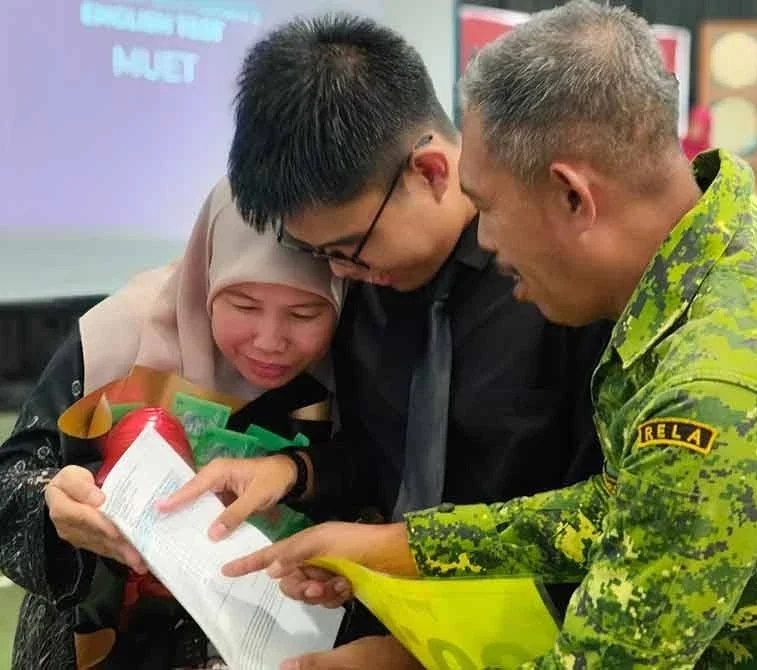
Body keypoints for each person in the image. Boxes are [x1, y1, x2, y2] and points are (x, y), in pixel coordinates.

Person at [220, 2, 757, 667]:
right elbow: (622, 502)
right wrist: (399, 547)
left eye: (487, 206)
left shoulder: (718, 390)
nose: (482, 238)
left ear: (575, 196)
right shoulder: (731, 237)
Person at [160, 11, 612, 669]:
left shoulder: (556, 284)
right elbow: (385, 460)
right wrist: (295, 472)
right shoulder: (370, 285)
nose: (340, 273)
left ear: (430, 172)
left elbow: (599, 526)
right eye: (315, 252)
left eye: (347, 248)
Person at [0, 176, 342, 669]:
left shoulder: (352, 365)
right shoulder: (119, 338)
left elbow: (382, 488)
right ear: (204, 279)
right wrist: (53, 507)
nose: (270, 340)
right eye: (244, 306)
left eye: (303, 312)